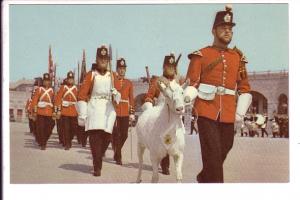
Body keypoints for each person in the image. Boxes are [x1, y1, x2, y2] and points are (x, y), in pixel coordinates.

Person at [184, 5, 252, 183]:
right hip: (206, 110)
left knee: (225, 146)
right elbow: (192, 83)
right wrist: (187, 97)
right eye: (224, 28)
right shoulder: (201, 55)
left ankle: (205, 177)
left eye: (230, 29)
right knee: (213, 153)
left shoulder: (238, 58)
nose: (228, 32)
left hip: (228, 112)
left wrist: (240, 113)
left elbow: (244, 88)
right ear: (213, 30)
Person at [76, 45, 121, 176]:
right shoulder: (91, 75)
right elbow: (82, 94)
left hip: (108, 108)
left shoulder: (112, 75)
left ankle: (98, 156)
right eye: (100, 58)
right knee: (95, 138)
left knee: (107, 138)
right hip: (95, 107)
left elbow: (118, 97)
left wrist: (115, 93)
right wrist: (83, 113)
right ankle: (97, 166)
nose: (103, 61)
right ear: (96, 59)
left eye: (105, 59)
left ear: (108, 60)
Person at [144, 53, 182, 175]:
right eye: (168, 66)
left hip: (174, 115)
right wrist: (149, 110)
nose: (170, 69)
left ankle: (167, 161)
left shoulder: (177, 82)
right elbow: (149, 97)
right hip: (160, 114)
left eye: (172, 66)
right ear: (163, 67)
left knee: (174, 139)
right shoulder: (157, 81)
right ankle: (165, 165)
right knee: (165, 140)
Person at [112, 57, 135, 165]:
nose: (122, 70)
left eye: (123, 68)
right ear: (117, 69)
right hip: (115, 110)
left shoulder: (129, 83)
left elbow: (131, 98)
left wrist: (132, 113)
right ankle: (119, 157)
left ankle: (116, 151)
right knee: (117, 134)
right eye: (120, 68)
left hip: (125, 111)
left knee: (124, 134)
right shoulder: (113, 81)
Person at [54, 71, 79, 150]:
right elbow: (58, 99)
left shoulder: (76, 88)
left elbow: (79, 99)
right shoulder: (63, 88)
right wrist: (58, 110)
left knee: (73, 129)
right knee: (66, 128)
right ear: (67, 79)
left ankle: (69, 139)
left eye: (72, 79)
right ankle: (67, 143)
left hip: (74, 112)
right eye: (69, 79)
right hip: (65, 111)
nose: (70, 80)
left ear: (73, 80)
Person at [30, 73, 55, 150]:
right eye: (45, 81)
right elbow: (34, 101)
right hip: (40, 112)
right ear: (43, 81)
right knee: (41, 128)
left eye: (47, 81)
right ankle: (43, 143)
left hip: (49, 113)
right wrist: (34, 112)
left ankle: (43, 140)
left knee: (49, 129)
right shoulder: (39, 89)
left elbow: (55, 102)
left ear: (50, 82)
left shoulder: (52, 91)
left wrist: (56, 112)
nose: (46, 82)